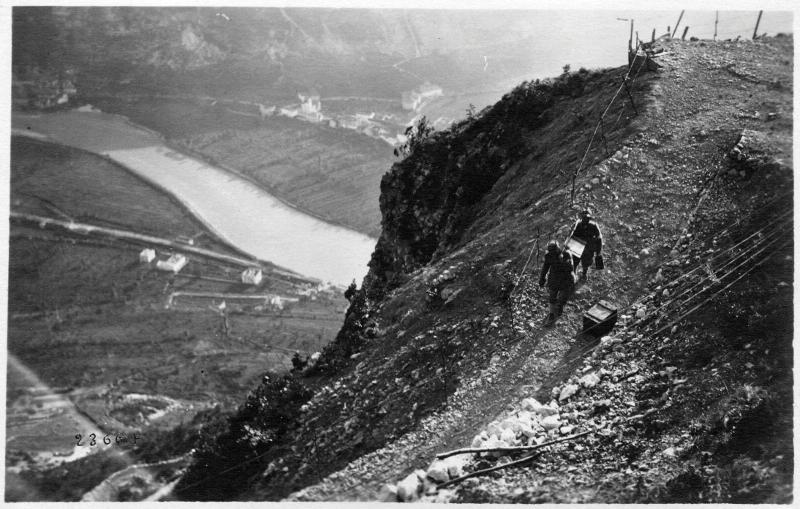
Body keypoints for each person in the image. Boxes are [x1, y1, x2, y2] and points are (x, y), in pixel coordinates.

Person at [539, 240, 575, 324]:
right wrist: (542, 278)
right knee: (552, 296)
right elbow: (545, 267)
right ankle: (551, 314)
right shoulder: (548, 256)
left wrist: (563, 261)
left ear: (557, 249)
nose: (551, 252)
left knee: (562, 298)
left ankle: (559, 307)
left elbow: (571, 268)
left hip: (565, 279)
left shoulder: (566, 254)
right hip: (554, 278)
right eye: (550, 250)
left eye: (553, 250)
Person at [568, 208, 603, 281]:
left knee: (586, 263)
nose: (585, 219)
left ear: (589, 218)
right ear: (581, 218)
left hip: (588, 248)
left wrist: (598, 252)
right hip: (577, 246)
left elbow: (599, 238)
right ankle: (573, 276)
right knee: (575, 263)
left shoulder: (593, 226)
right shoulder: (577, 225)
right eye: (584, 217)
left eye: (587, 218)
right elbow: (572, 236)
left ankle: (584, 274)